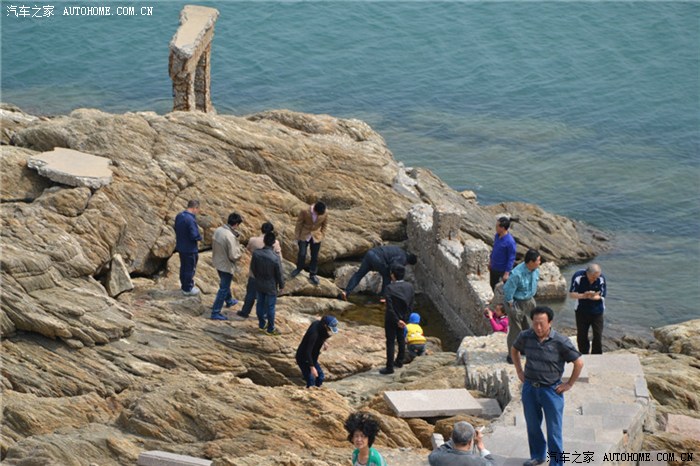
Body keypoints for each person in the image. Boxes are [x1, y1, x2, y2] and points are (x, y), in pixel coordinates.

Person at [511, 306, 583, 466]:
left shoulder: (561, 341)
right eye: (535, 323)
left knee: (554, 430)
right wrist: (519, 370)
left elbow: (578, 362)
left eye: (542, 324)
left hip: (551, 390)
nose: (538, 327)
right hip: (530, 388)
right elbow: (514, 349)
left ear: (550, 322)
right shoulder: (525, 336)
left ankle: (556, 463)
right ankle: (537, 456)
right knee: (533, 426)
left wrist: (569, 384)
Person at [237, 222, 282, 319]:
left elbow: (248, 250)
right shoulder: (275, 243)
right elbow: (279, 259)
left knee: (250, 293)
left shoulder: (253, 240)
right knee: (266, 296)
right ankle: (264, 314)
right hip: (269, 275)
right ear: (271, 232)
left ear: (261, 229)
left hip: (255, 272)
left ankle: (245, 311)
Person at [503, 249, 541, 363]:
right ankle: (512, 355)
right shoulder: (517, 274)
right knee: (516, 330)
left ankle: (524, 348)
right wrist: (511, 305)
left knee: (528, 327)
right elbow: (507, 290)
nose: (540, 262)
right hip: (516, 302)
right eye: (538, 260)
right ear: (531, 262)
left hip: (529, 300)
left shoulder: (535, 270)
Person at [340, 245, 418, 300]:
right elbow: (394, 265)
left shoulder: (400, 250)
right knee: (387, 276)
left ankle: (346, 292)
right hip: (378, 258)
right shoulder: (403, 258)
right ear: (409, 262)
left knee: (359, 274)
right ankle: (383, 297)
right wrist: (394, 277)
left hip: (370, 253)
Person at [380, 264, 414, 375]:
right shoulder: (409, 287)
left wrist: (396, 320)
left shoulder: (389, 288)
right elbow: (411, 304)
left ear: (393, 275)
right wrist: (404, 320)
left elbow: (389, 307)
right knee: (401, 339)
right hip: (403, 318)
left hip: (391, 319)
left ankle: (389, 367)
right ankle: (399, 361)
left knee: (390, 342)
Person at [210, 212, 244, 320]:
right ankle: (215, 312)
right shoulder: (230, 236)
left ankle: (229, 300)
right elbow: (233, 256)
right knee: (223, 288)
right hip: (226, 265)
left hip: (217, 261)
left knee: (225, 283)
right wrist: (240, 253)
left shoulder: (218, 230)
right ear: (236, 224)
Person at [250, 232, 285, 336]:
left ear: (264, 241)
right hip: (271, 285)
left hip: (259, 282)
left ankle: (262, 324)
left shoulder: (256, 253)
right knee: (270, 307)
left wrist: (258, 277)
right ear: (273, 243)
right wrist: (281, 285)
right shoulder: (275, 257)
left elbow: (253, 268)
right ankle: (270, 329)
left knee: (259, 304)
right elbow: (279, 273)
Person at [569, 263, 607, 354]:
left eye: (597, 277)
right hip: (581, 310)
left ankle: (596, 354)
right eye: (593, 277)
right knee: (582, 335)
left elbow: (602, 295)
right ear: (588, 274)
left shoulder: (601, 278)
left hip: (597, 311)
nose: (595, 279)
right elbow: (572, 294)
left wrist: (592, 296)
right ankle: (583, 353)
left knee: (598, 334)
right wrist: (584, 295)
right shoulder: (578, 276)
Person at [295, 315, 339, 388]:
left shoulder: (318, 324)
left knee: (320, 376)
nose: (330, 330)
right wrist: (312, 368)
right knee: (311, 379)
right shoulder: (314, 334)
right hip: (303, 357)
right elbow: (307, 352)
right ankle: (310, 391)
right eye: (329, 329)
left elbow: (322, 333)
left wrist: (324, 341)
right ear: (325, 326)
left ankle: (318, 389)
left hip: (313, 356)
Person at [291, 201, 328, 285]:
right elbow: (299, 224)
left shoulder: (325, 212)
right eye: (317, 213)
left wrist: (322, 235)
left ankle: (313, 274)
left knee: (314, 256)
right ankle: (299, 268)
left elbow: (325, 225)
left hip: (316, 236)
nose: (318, 215)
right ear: (314, 209)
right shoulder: (305, 211)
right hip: (304, 234)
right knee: (302, 253)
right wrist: (297, 237)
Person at [428, 421, 494, 466]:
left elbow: (436, 452)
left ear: (452, 437)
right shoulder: (480, 462)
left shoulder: (437, 458)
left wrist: (454, 438)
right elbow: (493, 463)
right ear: (470, 442)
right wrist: (480, 445)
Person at [174, 200, 202, 296]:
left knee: (183, 267)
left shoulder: (179, 216)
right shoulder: (190, 219)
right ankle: (188, 288)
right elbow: (194, 235)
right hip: (190, 248)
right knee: (190, 268)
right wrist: (199, 237)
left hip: (181, 246)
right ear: (195, 208)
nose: (197, 212)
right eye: (198, 209)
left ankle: (184, 286)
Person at [489, 216, 517, 290]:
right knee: (492, 285)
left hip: (501, 270)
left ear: (503, 228)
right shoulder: (497, 236)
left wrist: (507, 273)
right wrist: (490, 261)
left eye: (497, 226)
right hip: (493, 267)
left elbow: (511, 258)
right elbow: (494, 249)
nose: (496, 228)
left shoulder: (510, 242)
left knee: (500, 289)